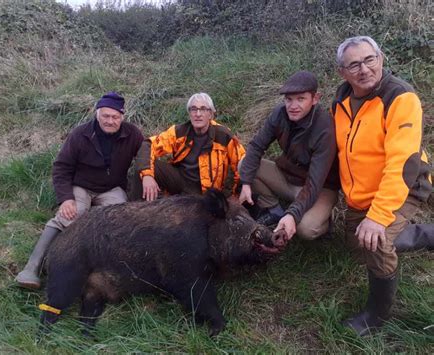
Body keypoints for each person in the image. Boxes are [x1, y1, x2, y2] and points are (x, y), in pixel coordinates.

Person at [332, 36, 432, 336]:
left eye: (369, 60)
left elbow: (402, 163)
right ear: (343, 72)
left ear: (381, 58)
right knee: (356, 243)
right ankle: (424, 234)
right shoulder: (341, 101)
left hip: (405, 184)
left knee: (375, 242)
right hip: (364, 192)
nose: (363, 69)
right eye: (354, 64)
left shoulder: (400, 98)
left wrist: (377, 218)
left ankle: (377, 315)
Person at [15, 92, 144, 289]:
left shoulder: (132, 134)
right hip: (81, 186)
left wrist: (149, 175)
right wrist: (66, 198)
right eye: (106, 116)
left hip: (111, 189)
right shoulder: (80, 134)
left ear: (122, 116)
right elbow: (61, 167)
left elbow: (146, 153)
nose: (110, 121)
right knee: (68, 216)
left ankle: (106, 274)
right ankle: (32, 268)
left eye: (115, 117)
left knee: (119, 224)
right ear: (97, 114)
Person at [238, 71, 339, 241]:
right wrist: (246, 182)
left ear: (315, 98)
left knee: (306, 229)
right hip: (288, 176)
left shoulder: (325, 128)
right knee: (244, 166)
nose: (293, 105)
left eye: (301, 99)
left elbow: (315, 183)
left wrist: (292, 214)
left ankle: (324, 223)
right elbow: (256, 146)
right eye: (289, 99)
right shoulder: (279, 113)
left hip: (321, 187)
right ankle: (274, 210)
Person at [134, 92, 245, 201]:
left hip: (208, 192)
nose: (198, 114)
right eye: (193, 109)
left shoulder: (224, 136)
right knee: (144, 167)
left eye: (203, 109)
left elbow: (243, 163)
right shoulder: (179, 132)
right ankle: (137, 210)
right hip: (181, 182)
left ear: (210, 114)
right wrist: (147, 176)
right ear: (189, 113)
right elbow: (149, 145)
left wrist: (236, 196)